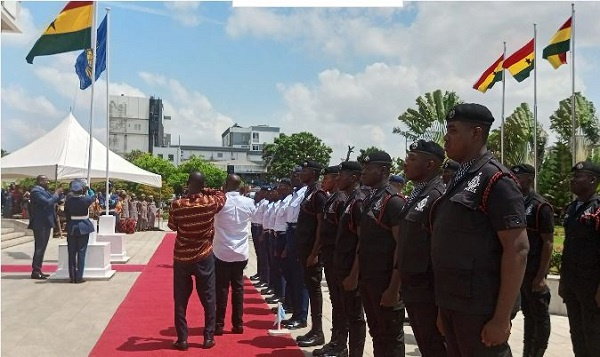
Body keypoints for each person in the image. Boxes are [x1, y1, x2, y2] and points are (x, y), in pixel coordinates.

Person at [431, 103, 529, 357]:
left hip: (480, 307)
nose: (445, 137)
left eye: (452, 130)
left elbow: (518, 248)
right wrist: (444, 308)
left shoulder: (496, 180)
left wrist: (501, 318)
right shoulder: (461, 178)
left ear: (475, 133)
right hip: (454, 303)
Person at [397, 140, 447, 357]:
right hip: (413, 287)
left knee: (435, 347)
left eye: (412, 158)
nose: (405, 163)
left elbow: (443, 251)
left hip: (428, 290)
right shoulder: (419, 194)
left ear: (430, 164)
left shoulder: (437, 196)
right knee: (426, 346)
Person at [168, 171, 226, 351]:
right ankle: (208, 338)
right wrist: (206, 190)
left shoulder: (177, 205)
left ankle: (182, 339)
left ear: (187, 184)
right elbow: (222, 195)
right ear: (202, 185)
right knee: (208, 298)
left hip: (182, 256)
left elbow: (172, 226)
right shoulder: (210, 203)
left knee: (180, 300)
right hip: (204, 255)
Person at [355, 150, 406, 357]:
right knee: (377, 332)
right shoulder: (371, 198)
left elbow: (401, 247)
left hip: (386, 281)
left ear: (383, 170)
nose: (363, 173)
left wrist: (394, 288)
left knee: (391, 336)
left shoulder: (393, 201)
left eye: (368, 169)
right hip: (369, 279)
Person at [510, 164, 554, 357]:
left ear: (529, 179)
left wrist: (541, 275)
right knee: (528, 315)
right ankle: (528, 351)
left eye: (518, 177)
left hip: (534, 272)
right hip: (521, 272)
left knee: (540, 316)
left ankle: (537, 352)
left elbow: (548, 243)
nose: (514, 180)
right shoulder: (516, 202)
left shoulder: (540, 206)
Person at [559, 161, 600, 357]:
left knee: (594, 336)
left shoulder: (597, 209)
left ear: (592, 180)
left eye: (578, 176)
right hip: (573, 283)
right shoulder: (572, 208)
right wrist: (564, 283)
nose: (572, 180)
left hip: (592, 286)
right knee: (577, 334)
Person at [332, 161, 368, 357]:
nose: (338, 178)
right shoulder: (349, 200)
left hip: (350, 269)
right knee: (345, 311)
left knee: (355, 316)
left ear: (354, 178)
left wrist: (354, 274)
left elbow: (362, 241)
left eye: (342, 175)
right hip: (341, 265)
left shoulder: (359, 201)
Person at [213, 174, 256, 335]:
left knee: (222, 289)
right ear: (239, 186)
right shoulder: (249, 202)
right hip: (240, 252)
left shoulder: (220, 202)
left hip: (222, 251)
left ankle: (219, 324)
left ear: (225, 184)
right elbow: (256, 217)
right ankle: (238, 324)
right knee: (238, 288)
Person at [313, 165, 348, 357]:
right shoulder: (331, 199)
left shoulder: (341, 200)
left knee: (342, 306)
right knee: (336, 304)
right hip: (330, 259)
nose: (323, 182)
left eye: (326, 178)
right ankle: (335, 341)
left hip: (338, 260)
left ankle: (341, 344)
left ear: (335, 179)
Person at [295, 160, 328, 347]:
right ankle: (314, 329)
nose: (301, 173)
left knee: (314, 291)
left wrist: (315, 252)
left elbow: (321, 227)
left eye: (305, 170)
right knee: (309, 287)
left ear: (314, 173)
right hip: (304, 249)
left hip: (311, 252)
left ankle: (318, 332)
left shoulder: (319, 195)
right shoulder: (309, 192)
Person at [282, 167, 310, 330]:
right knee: (293, 277)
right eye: (292, 174)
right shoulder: (294, 194)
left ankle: (302, 316)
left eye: (297, 174)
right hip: (291, 232)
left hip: (299, 233)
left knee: (301, 280)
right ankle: (296, 312)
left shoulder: (306, 193)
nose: (293, 177)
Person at [28, 175, 64, 279]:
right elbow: (48, 202)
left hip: (46, 222)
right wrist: (56, 193)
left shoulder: (44, 191)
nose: (48, 182)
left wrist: (59, 195)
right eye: (46, 181)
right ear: (40, 181)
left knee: (42, 247)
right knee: (39, 248)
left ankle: (38, 269)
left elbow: (53, 200)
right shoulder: (36, 192)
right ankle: (35, 271)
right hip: (40, 223)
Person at [64, 180, 96, 284]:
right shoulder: (86, 199)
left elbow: (66, 213)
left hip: (72, 226)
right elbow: (94, 196)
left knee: (71, 253)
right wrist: (89, 189)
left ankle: (72, 276)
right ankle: (79, 277)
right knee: (81, 253)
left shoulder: (68, 200)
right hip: (83, 226)